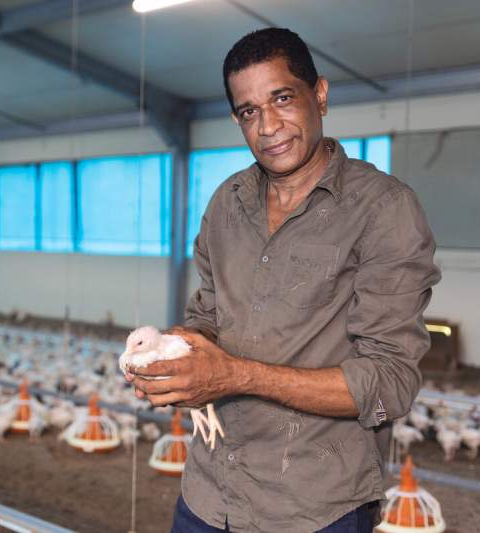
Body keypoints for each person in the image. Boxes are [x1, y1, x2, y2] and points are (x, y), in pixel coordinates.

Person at [126, 28, 441, 532]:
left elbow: (390, 382)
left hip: (313, 508)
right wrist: (179, 351)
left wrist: (234, 376)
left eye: (282, 99)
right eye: (249, 111)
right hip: (208, 493)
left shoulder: (383, 209)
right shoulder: (226, 203)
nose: (268, 126)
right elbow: (207, 315)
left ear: (320, 94)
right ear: (237, 119)